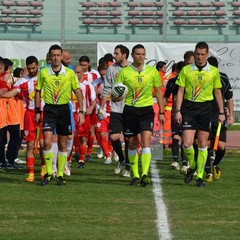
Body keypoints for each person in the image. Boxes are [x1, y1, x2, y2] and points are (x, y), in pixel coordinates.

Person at [175, 41, 225, 187]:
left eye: (202, 54)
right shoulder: (186, 70)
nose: (199, 57)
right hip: (189, 108)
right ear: (194, 53)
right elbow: (180, 91)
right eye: (197, 54)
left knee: (203, 143)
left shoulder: (213, 71)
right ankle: (193, 166)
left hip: (206, 109)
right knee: (187, 143)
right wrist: (177, 111)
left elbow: (217, 92)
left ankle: (200, 177)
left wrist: (221, 112)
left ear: (207, 55)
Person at [115, 44, 165, 186]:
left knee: (145, 142)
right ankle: (135, 175)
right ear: (132, 55)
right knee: (131, 143)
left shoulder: (152, 72)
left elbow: (159, 92)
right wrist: (116, 97)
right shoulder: (125, 72)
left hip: (146, 110)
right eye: (138, 54)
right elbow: (117, 91)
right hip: (130, 110)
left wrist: (161, 111)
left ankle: (144, 174)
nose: (140, 56)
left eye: (143, 54)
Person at [35, 44, 84, 186]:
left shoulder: (69, 73)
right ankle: (49, 172)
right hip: (49, 109)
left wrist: (81, 111)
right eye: (53, 55)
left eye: (58, 55)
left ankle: (61, 174)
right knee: (47, 141)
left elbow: (78, 92)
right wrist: (38, 110)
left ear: (62, 57)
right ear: (49, 57)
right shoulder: (44, 72)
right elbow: (38, 91)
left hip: (64, 110)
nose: (56, 58)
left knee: (63, 143)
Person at [0, 56, 45, 182]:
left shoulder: (44, 77)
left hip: (44, 113)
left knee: (43, 144)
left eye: (34, 68)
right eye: (29, 68)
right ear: (26, 67)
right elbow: (10, 94)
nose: (31, 71)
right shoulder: (22, 82)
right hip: (29, 114)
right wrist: (1, 94)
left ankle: (44, 169)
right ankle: (30, 173)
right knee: (30, 144)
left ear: (37, 66)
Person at [99, 44, 131, 177]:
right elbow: (106, 89)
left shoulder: (132, 69)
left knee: (129, 138)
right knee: (113, 136)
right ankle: (122, 160)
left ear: (124, 55)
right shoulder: (111, 69)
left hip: (130, 108)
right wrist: (101, 107)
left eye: (117, 53)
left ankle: (128, 167)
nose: (114, 55)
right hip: (116, 109)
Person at [205, 56, 234, 182]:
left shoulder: (223, 78)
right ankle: (207, 171)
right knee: (205, 144)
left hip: (220, 115)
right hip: (204, 114)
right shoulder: (203, 77)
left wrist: (231, 115)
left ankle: (216, 163)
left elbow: (229, 98)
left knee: (221, 146)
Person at [163, 61, 188, 173]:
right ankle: (175, 161)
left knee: (185, 138)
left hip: (188, 113)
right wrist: (161, 111)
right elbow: (166, 96)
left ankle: (185, 163)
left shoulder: (189, 81)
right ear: (177, 71)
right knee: (175, 137)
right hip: (175, 112)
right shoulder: (172, 82)